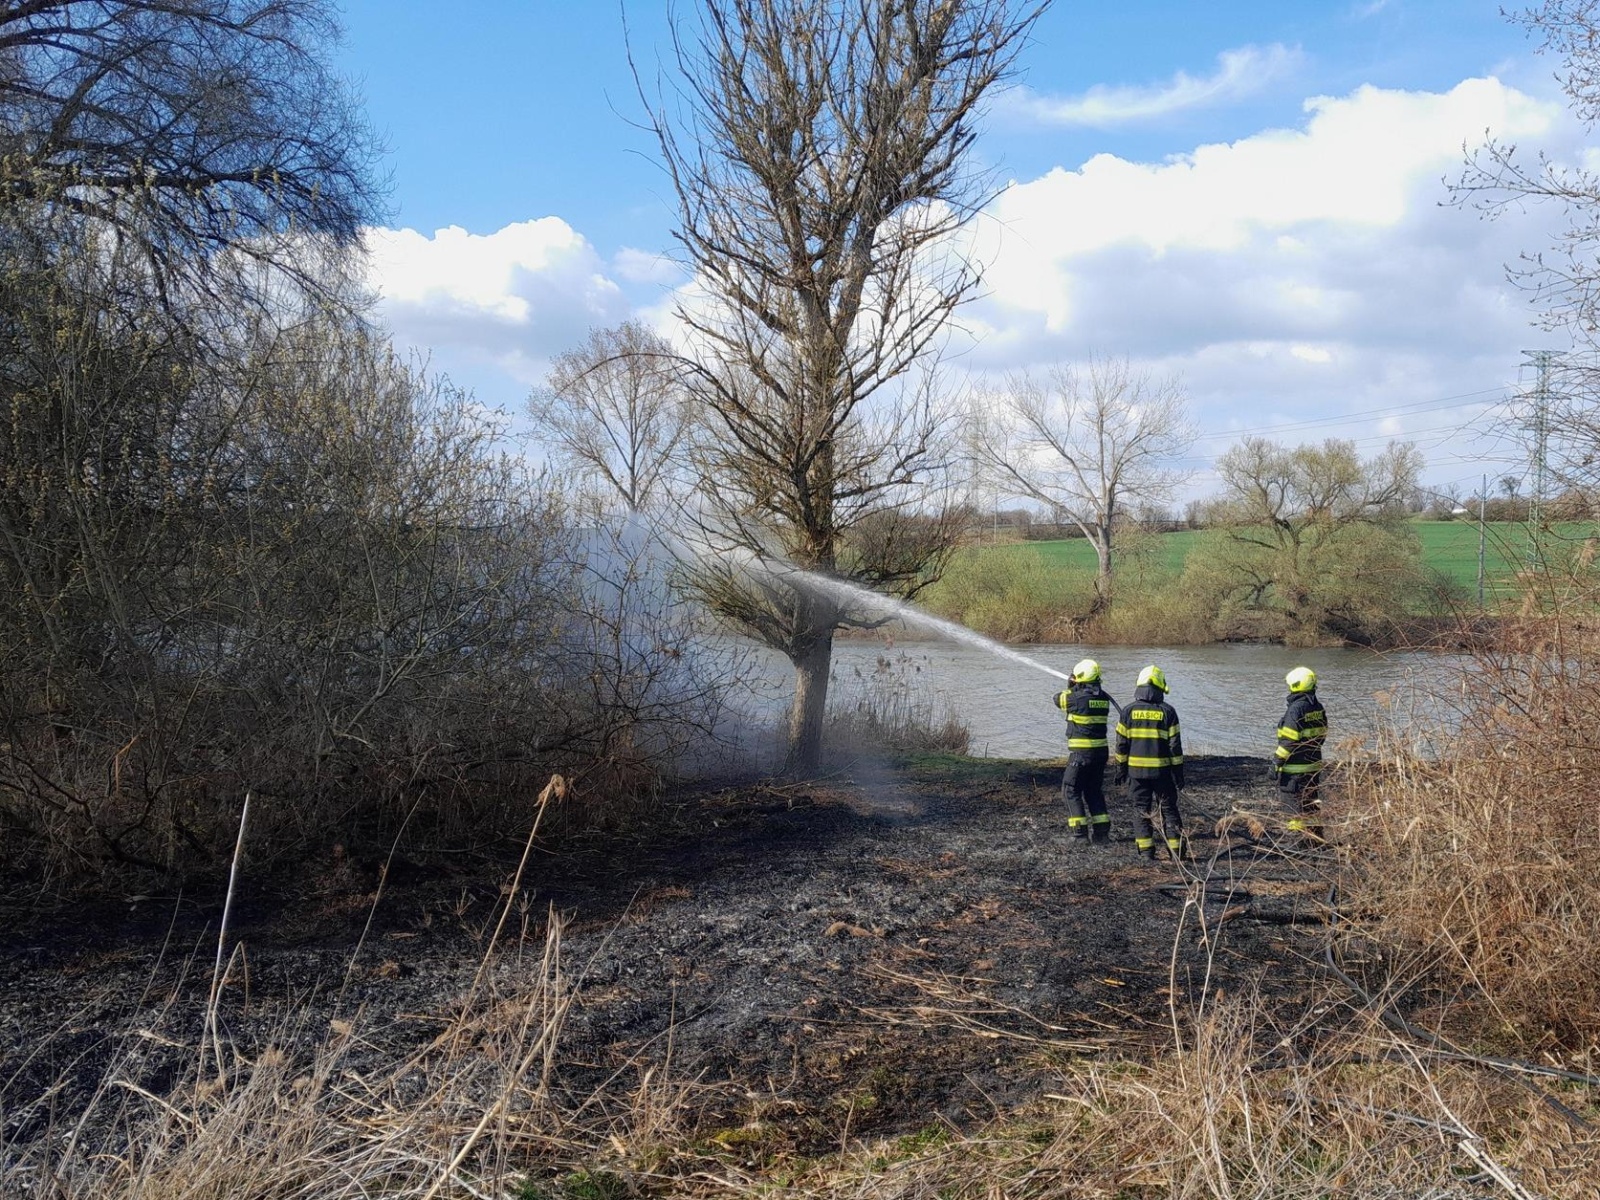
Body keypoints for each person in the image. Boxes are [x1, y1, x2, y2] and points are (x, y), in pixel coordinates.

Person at [1113, 664, 1186, 861]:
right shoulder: (1168, 712)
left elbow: (1121, 745)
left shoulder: (1127, 712)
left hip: (1137, 774)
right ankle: (1176, 853)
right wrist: (1178, 773)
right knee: (1169, 809)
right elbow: (1175, 747)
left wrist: (1121, 769)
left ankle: (1146, 853)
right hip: (1163, 773)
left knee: (1141, 811)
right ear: (1159, 688)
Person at [1052, 659, 1118, 844]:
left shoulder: (1076, 698)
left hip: (1081, 754)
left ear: (1079, 678)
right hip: (1100, 753)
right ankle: (1102, 834)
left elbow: (1057, 699)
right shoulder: (1103, 698)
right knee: (1093, 791)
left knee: (1070, 789)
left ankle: (1080, 835)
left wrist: (1071, 686)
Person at [1274, 666, 1327, 841]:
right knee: (1310, 803)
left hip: (1295, 769)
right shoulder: (1317, 706)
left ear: (1296, 686)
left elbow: (1288, 741)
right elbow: (1322, 734)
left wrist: (1276, 763)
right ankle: (1315, 839)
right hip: (1313, 766)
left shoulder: (1295, 709)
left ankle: (1296, 843)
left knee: (1293, 807)